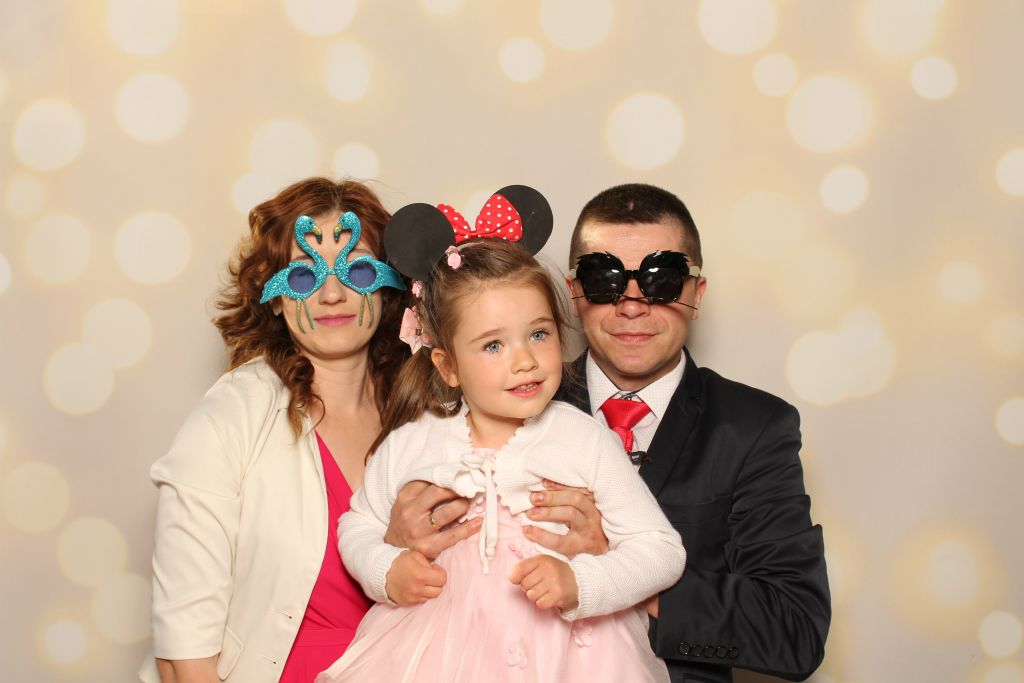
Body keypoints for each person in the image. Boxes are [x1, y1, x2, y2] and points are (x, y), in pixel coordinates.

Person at [385, 183, 831, 683]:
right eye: (604, 278)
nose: (633, 303)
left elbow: (795, 633)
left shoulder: (752, 428)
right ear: (574, 294)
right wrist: (395, 543)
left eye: (663, 278)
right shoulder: (499, 400)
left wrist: (615, 566)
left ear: (695, 294)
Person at [316, 187, 686, 682]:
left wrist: (582, 582)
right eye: (493, 345)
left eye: (539, 334)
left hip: (569, 660)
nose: (525, 360)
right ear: (447, 366)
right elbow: (357, 527)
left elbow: (660, 550)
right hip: (440, 653)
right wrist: (386, 570)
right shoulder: (414, 442)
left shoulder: (583, 439)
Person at [141, 178, 451, 682]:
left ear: (390, 285)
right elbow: (183, 652)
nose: (332, 294)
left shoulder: (431, 412)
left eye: (357, 270)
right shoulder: (230, 416)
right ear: (274, 297)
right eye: (305, 276)